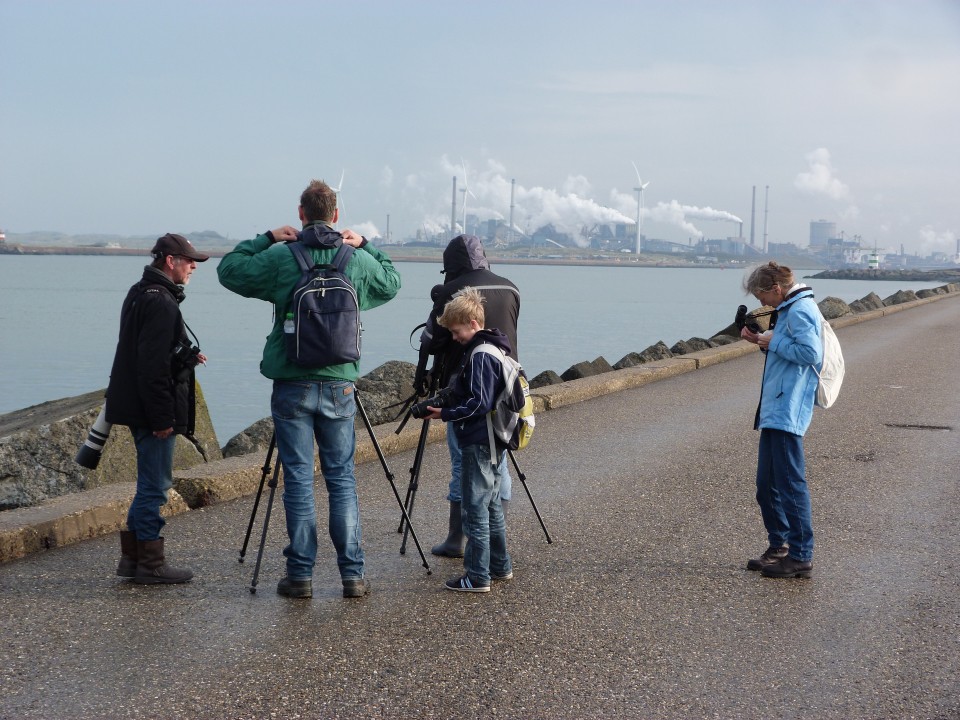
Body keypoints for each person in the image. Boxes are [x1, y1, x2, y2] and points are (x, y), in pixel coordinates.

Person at [217, 179, 400, 600]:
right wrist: (366, 243)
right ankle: (352, 575)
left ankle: (300, 576)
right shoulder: (354, 259)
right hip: (340, 384)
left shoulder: (283, 257)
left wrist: (266, 238)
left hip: (291, 382)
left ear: (300, 214)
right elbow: (392, 282)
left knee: (298, 479)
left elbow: (229, 271)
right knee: (341, 479)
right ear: (336, 216)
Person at [106, 232, 209, 585]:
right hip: (151, 412)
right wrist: (162, 417)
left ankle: (133, 561)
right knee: (155, 487)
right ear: (170, 261)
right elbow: (151, 368)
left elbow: (144, 352)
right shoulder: (162, 302)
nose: (194, 266)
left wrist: (185, 355)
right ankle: (150, 565)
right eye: (189, 260)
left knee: (149, 484)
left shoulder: (140, 292)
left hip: (134, 405)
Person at [414, 234, 520, 558]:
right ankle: (494, 539)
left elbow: (431, 341)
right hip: (507, 386)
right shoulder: (511, 288)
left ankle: (457, 539)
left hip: (465, 390)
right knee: (498, 461)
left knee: (465, 464)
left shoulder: (450, 292)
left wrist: (430, 388)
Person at [424, 288, 513, 592]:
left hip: (478, 439)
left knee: (475, 509)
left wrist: (444, 414)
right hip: (494, 438)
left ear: (473, 323)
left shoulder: (480, 355)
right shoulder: (494, 348)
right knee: (490, 506)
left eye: (456, 330)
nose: (454, 337)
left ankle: (477, 576)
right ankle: (500, 567)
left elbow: (479, 403)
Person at [740, 261, 823, 579]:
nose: (761, 302)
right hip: (776, 407)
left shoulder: (800, 310)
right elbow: (789, 352)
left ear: (776, 289)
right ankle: (780, 547)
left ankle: (801, 556)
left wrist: (772, 341)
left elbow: (810, 354)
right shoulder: (789, 309)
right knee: (767, 486)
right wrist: (760, 341)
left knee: (790, 484)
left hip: (788, 408)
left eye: (761, 295)